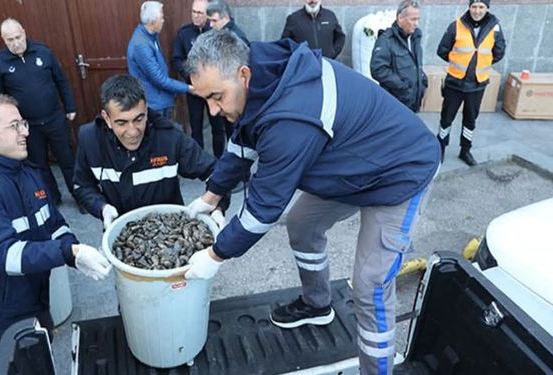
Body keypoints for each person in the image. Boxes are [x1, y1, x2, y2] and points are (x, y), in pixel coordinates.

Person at [183, 30, 440, 375]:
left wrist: (215, 255)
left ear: (242, 76)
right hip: (352, 164)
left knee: (370, 286)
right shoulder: (259, 71)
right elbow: (243, 142)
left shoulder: (291, 119)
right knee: (302, 224)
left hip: (400, 173)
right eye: (205, 99)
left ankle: (376, 371)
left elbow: (262, 210)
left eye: (216, 97)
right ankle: (317, 304)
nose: (213, 110)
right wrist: (211, 194)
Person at [0, 94, 111, 346]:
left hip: (34, 299)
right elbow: (5, 254)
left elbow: (54, 224)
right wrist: (70, 251)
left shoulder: (27, 172)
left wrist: (74, 253)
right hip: (0, 313)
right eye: (14, 126)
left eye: (23, 123)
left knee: (42, 354)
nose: (24, 131)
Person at [73, 74, 227, 230]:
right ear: (107, 118)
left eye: (139, 119)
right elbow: (82, 185)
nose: (132, 131)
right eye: (122, 123)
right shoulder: (90, 139)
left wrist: (217, 207)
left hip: (170, 232)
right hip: (120, 234)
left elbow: (216, 173)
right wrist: (102, 208)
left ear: (146, 111)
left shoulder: (170, 137)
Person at [0, 18, 81, 211]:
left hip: (55, 118)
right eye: (10, 40)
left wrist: (70, 107)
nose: (15, 43)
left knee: (67, 161)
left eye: (18, 37)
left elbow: (61, 80)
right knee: (40, 166)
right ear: (3, 40)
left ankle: (81, 197)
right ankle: (53, 198)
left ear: (24, 32)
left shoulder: (43, 52)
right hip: (28, 126)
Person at [436, 0, 505, 166]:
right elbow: (442, 50)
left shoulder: (495, 27)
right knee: (446, 118)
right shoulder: (456, 25)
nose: (477, 10)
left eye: (481, 7)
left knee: (470, 120)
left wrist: (480, 63)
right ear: (469, 7)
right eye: (474, 6)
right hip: (455, 82)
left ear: (487, 8)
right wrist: (460, 61)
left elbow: (499, 51)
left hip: (477, 84)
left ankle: (465, 150)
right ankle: (440, 149)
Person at [172, 0, 226, 158]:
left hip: (214, 90)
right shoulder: (184, 34)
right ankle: (199, 161)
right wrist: (191, 76)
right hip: (194, 90)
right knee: (196, 127)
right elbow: (176, 59)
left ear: (208, 15)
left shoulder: (216, 31)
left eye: (199, 13)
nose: (195, 16)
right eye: (193, 12)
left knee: (218, 126)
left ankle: (218, 160)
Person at [127, 1, 191, 118]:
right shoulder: (141, 45)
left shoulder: (151, 35)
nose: (163, 20)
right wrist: (188, 88)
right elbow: (159, 79)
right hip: (155, 104)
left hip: (160, 100)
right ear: (153, 21)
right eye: (161, 17)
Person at [370, 0, 427, 112]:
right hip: (396, 103)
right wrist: (402, 86)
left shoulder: (415, 37)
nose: (417, 23)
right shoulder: (386, 40)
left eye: (418, 19)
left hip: (413, 101)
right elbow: (378, 69)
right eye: (413, 19)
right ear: (400, 18)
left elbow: (416, 64)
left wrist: (423, 80)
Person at [206, 0, 249, 140]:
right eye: (209, 21)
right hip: (225, 92)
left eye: (214, 20)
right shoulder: (223, 34)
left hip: (234, 95)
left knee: (235, 132)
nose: (211, 25)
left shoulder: (235, 37)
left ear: (225, 18)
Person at [281, 0, 345, 59]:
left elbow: (340, 37)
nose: (312, 1)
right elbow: (284, 44)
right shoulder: (294, 19)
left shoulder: (330, 16)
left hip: (326, 64)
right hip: (304, 67)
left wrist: (332, 53)